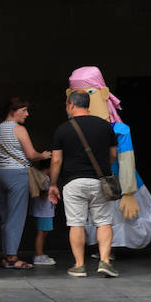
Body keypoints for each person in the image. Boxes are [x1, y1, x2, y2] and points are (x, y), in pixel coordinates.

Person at [67, 66, 151, 251]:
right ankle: (106, 253)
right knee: (104, 218)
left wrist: (128, 192)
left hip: (115, 181)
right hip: (102, 181)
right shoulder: (98, 129)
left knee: (103, 218)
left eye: (88, 93)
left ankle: (105, 252)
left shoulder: (118, 129)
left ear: (103, 93)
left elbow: (126, 159)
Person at [46, 89, 119, 278]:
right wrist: (102, 170)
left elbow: (56, 161)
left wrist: (53, 184)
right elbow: (113, 154)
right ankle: (104, 261)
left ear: (71, 105)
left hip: (73, 183)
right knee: (103, 222)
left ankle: (79, 265)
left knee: (76, 223)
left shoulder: (62, 129)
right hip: (99, 181)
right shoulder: (105, 126)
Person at [0, 97, 51, 269]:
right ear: (13, 111)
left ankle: (6, 254)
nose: (27, 114)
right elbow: (31, 155)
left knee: (5, 216)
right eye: (23, 110)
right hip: (17, 174)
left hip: (0, 174)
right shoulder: (19, 129)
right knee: (16, 217)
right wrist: (44, 155)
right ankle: (12, 258)